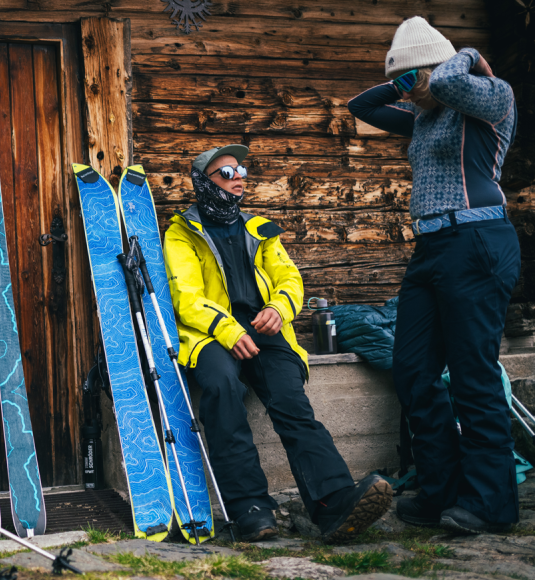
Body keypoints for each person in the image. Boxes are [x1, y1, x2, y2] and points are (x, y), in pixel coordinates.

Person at [164, 145, 393, 543]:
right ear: (204, 182)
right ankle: (249, 507)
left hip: (266, 332)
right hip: (211, 336)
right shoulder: (182, 233)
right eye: (227, 172)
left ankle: (333, 502)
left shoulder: (260, 229)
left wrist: (278, 309)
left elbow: (290, 279)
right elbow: (185, 295)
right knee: (221, 389)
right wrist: (228, 331)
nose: (238, 177)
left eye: (242, 170)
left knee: (291, 402)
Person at [347, 17, 519, 534]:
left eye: (412, 79)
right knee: (414, 372)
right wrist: (402, 79)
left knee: (473, 376)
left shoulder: (492, 97)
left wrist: (462, 55)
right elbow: (362, 106)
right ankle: (441, 490)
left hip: (478, 243)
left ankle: (490, 504)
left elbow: (446, 83)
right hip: (430, 250)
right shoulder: (423, 117)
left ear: (438, 70)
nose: (408, 92)